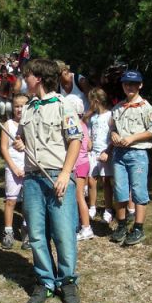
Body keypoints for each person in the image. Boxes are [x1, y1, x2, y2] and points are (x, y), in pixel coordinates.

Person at [13, 58, 82, 303]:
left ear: (38, 78)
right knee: (38, 235)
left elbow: (75, 141)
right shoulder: (29, 108)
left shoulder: (63, 106)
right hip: (32, 179)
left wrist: (65, 174)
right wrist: (19, 143)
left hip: (57, 177)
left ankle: (68, 281)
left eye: (27, 76)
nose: (24, 80)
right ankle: (45, 282)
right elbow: (20, 138)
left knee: (64, 234)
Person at [109, 70, 152, 245]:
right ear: (122, 86)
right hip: (119, 154)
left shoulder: (146, 107)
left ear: (140, 85)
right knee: (120, 190)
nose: (129, 87)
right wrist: (114, 135)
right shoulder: (118, 108)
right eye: (126, 84)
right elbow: (112, 127)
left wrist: (132, 138)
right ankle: (122, 225)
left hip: (137, 154)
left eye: (133, 84)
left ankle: (138, 228)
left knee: (138, 190)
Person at [0, 93, 30, 250]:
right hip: (13, 169)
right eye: (17, 106)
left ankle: (26, 231)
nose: (20, 109)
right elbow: (4, 148)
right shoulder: (8, 124)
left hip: (29, 169)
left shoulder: (31, 124)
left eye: (23, 105)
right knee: (11, 201)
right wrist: (14, 168)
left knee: (28, 202)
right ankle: (8, 231)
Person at [65, 95, 93, 241]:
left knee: (79, 196)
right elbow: (88, 146)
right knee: (78, 196)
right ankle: (78, 225)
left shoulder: (75, 125)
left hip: (79, 164)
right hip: (84, 163)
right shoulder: (83, 125)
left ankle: (86, 227)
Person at [87, 87, 114, 223]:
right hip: (93, 153)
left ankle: (108, 209)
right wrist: (89, 142)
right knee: (91, 180)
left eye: (90, 101)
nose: (89, 104)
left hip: (105, 152)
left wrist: (108, 151)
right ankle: (92, 207)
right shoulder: (93, 118)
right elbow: (90, 134)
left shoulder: (110, 115)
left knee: (106, 181)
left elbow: (113, 135)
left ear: (96, 101)